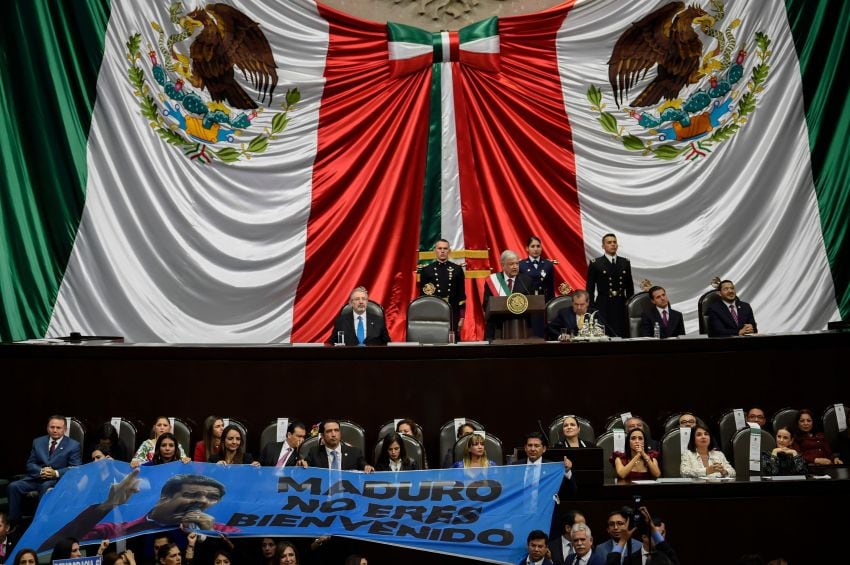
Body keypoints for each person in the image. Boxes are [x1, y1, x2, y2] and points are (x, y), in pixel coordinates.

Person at [37, 472, 236, 551]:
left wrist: (207, 535)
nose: (203, 501)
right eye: (193, 494)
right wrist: (106, 506)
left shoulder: (219, 531)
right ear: (165, 497)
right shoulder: (113, 531)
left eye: (211, 498)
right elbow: (54, 548)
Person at [8, 415, 82, 526]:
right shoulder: (38, 442)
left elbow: (76, 468)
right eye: (52, 427)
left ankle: (40, 523)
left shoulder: (73, 445)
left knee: (45, 486)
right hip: (36, 478)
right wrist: (41, 471)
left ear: (64, 429)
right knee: (13, 486)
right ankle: (14, 523)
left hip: (57, 481)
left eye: (58, 427)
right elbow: (30, 464)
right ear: (47, 428)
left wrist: (55, 473)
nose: (55, 430)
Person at [586, 233, 634, 338]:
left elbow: (630, 286)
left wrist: (630, 303)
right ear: (603, 246)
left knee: (622, 332)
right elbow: (590, 287)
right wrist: (591, 307)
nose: (613, 244)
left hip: (621, 303)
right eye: (609, 242)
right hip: (604, 303)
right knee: (605, 333)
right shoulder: (596, 263)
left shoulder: (625, 262)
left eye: (614, 242)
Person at [418, 238, 467, 337]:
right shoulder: (426, 270)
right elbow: (423, 297)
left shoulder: (457, 270)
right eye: (439, 248)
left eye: (445, 248)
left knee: (453, 341)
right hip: (433, 310)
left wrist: (461, 317)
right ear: (435, 250)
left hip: (453, 311)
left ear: (449, 251)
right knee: (433, 339)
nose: (442, 251)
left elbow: (461, 296)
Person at [483, 250, 535, 340]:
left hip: (520, 328)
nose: (515, 267)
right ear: (503, 265)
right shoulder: (492, 281)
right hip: (497, 329)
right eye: (511, 264)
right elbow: (486, 305)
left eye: (517, 264)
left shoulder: (526, 281)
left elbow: (532, 305)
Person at [606, 507, 679, 565]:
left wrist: (622, 540)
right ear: (644, 537)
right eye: (654, 535)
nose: (661, 537)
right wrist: (652, 526)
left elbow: (612, 563)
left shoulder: (663, 558)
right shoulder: (630, 560)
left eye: (662, 533)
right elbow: (670, 554)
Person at [302, 419, 374, 472]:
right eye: (329, 431)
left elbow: (364, 465)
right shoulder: (314, 452)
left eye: (336, 430)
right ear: (322, 436)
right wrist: (302, 464)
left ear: (340, 433)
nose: (333, 434)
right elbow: (305, 465)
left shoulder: (354, 453)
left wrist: (367, 467)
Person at [519, 236, 556, 301]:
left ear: (541, 248)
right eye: (532, 246)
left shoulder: (548, 264)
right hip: (527, 300)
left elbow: (551, 287)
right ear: (527, 248)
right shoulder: (521, 265)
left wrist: (552, 303)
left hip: (544, 300)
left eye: (538, 246)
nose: (536, 249)